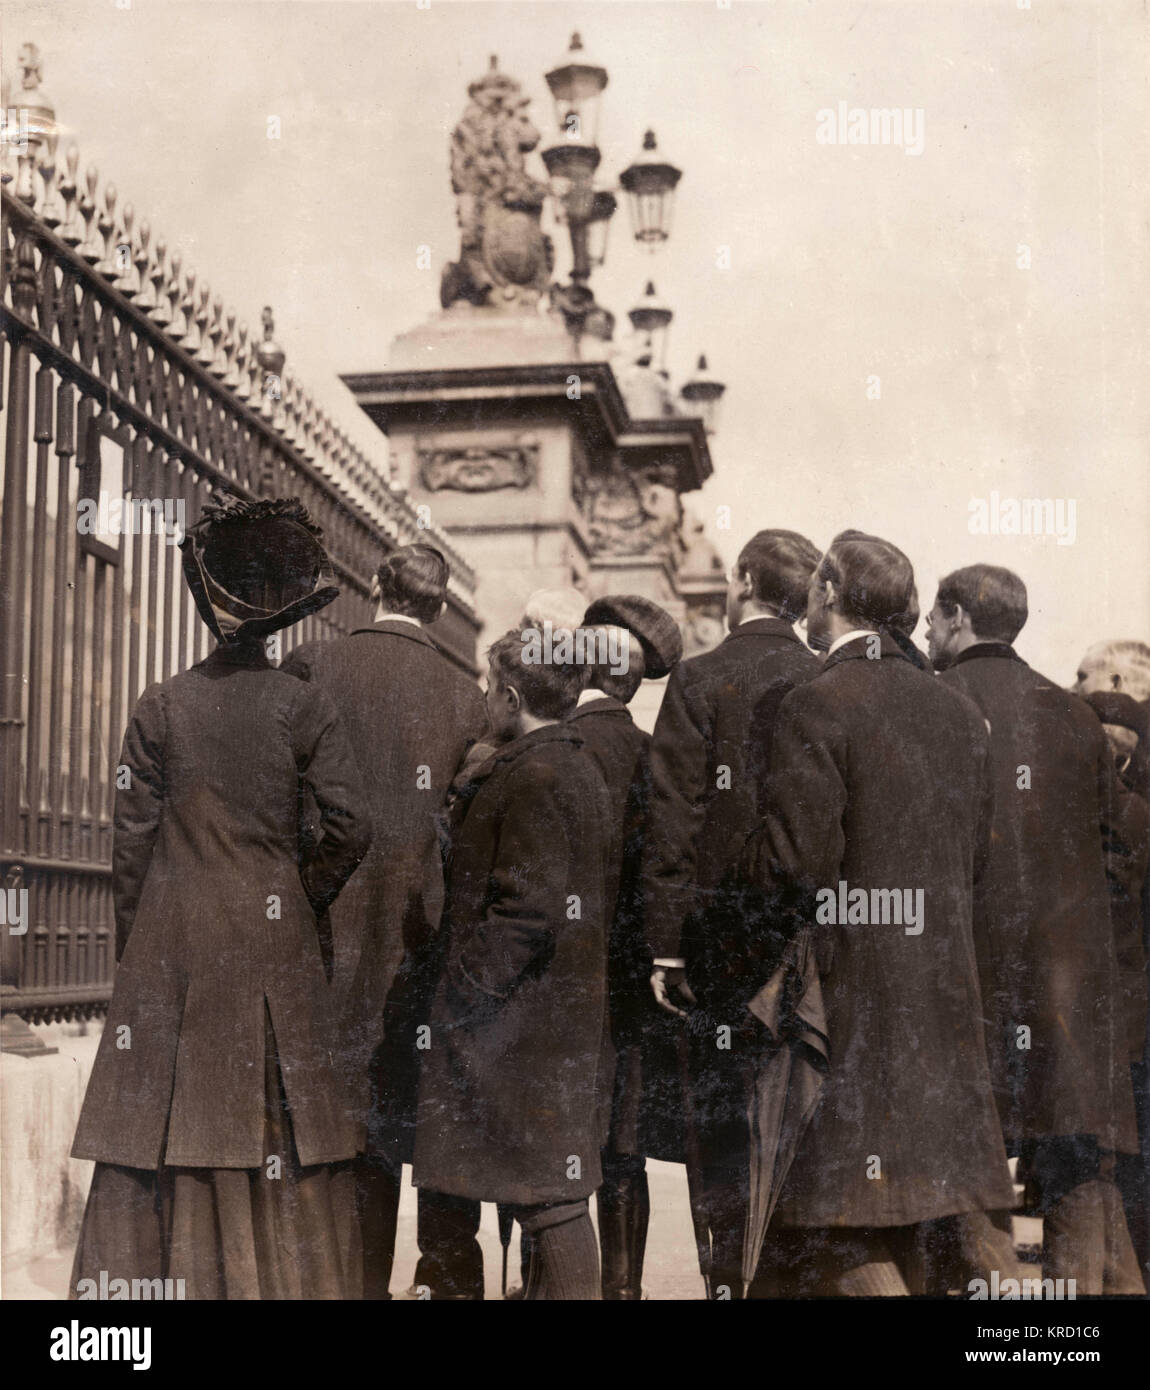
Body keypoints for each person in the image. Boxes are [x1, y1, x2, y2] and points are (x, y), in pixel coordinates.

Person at [70, 494, 370, 1299]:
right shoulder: (303, 705)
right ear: (286, 617)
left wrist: (145, 947)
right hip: (275, 951)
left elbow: (131, 846)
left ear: (207, 604)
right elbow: (352, 824)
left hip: (175, 946)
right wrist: (298, 896)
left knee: (163, 1132)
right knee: (278, 1127)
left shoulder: (161, 706)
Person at [744, 531, 1019, 1296]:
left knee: (846, 1216)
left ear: (827, 592)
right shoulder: (959, 712)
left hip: (850, 992)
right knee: (937, 1204)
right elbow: (977, 862)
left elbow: (794, 867)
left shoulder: (816, 701)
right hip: (945, 985)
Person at [928, 569, 1144, 1294]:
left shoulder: (937, 705)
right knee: (1075, 1149)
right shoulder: (1073, 714)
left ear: (957, 617)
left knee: (967, 1147)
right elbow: (1125, 839)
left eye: (934, 615)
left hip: (964, 967)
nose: (927, 630)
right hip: (1069, 972)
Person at [282, 543, 487, 1300]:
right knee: (382, 1122)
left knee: (308, 1112)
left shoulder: (312, 667)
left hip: (316, 921)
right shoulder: (467, 697)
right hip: (411, 940)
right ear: (437, 611)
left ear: (373, 587)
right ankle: (368, 1281)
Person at [640, 529, 822, 1298]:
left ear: (743, 580)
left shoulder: (699, 676)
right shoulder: (823, 676)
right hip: (804, 947)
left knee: (714, 1128)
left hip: (715, 946)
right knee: (793, 1128)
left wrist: (667, 948)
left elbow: (672, 817)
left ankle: (722, 1277)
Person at [412, 630, 613, 1299]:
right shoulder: (564, 762)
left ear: (512, 694)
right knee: (545, 1193)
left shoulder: (536, 774)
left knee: (547, 1200)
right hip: (542, 1021)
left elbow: (526, 910)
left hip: (516, 1027)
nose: (485, 697)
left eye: (489, 684)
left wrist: (462, 992)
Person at [571, 595, 684, 1299]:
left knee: (550, 1155)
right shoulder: (654, 759)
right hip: (627, 988)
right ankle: (623, 1290)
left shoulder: (551, 743)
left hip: (556, 982)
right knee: (624, 1150)